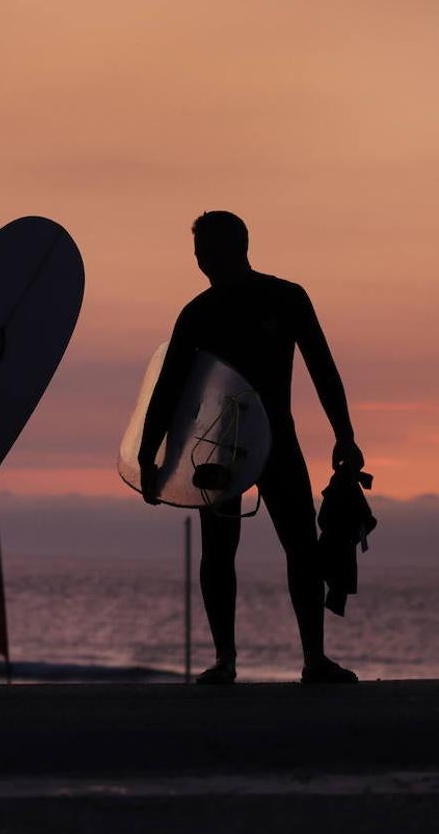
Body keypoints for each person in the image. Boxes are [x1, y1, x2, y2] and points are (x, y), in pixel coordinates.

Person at [138, 211, 364, 685]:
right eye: (198, 254)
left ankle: (314, 658)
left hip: (277, 440)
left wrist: (344, 434)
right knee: (218, 551)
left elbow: (323, 367)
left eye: (208, 251)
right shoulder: (198, 313)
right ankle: (225, 658)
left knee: (301, 545)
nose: (201, 261)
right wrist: (147, 454)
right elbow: (168, 386)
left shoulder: (285, 298)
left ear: (238, 246)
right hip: (216, 451)